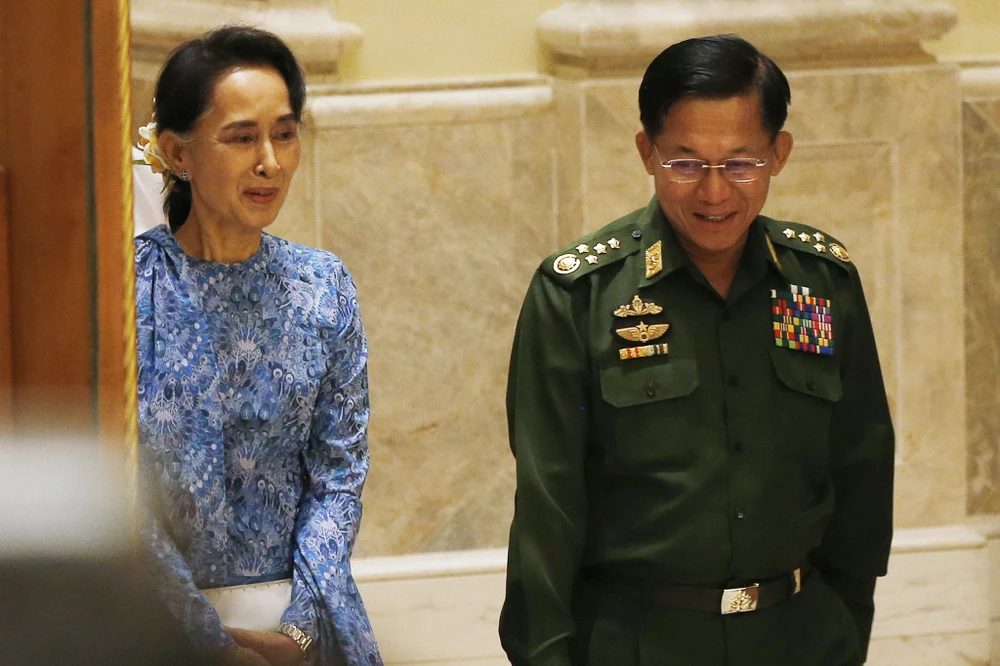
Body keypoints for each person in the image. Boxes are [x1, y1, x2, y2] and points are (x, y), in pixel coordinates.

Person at [499, 34, 894, 666]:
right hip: (637, 643)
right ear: (647, 153)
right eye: (685, 163)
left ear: (779, 153)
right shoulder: (580, 295)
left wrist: (845, 627)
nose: (714, 193)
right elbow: (548, 508)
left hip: (799, 637)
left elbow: (862, 468)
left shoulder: (821, 282)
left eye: (741, 163)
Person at [134, 25, 382, 666]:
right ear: (178, 152)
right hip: (154, 622)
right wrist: (210, 643)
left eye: (285, 133)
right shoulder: (127, 290)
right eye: (242, 138)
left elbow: (339, 476)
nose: (270, 161)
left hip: (304, 625)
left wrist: (299, 632)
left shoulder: (322, 286)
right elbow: (115, 496)